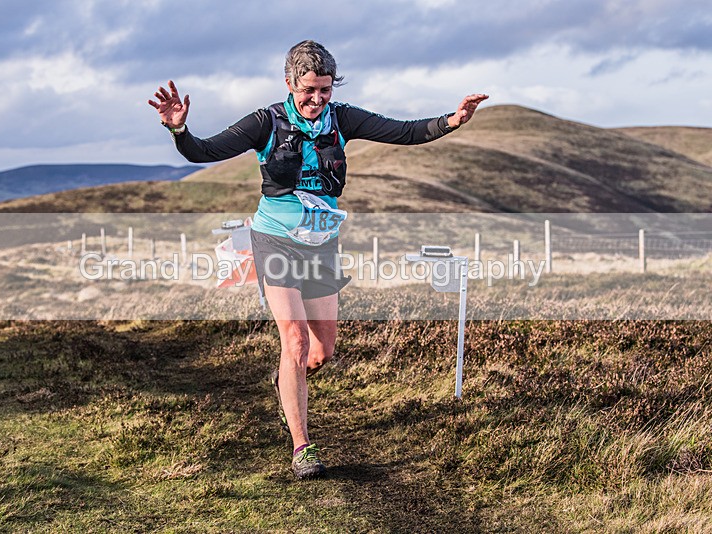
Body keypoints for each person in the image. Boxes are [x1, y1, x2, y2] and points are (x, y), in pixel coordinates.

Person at [149, 40, 488, 480]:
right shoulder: (264, 122)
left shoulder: (341, 118)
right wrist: (179, 130)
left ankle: (286, 379)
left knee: (322, 351)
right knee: (295, 342)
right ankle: (302, 447)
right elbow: (204, 152)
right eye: (308, 89)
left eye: (324, 90)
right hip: (275, 241)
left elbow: (402, 131)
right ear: (290, 83)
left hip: (322, 245)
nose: (316, 99)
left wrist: (453, 120)